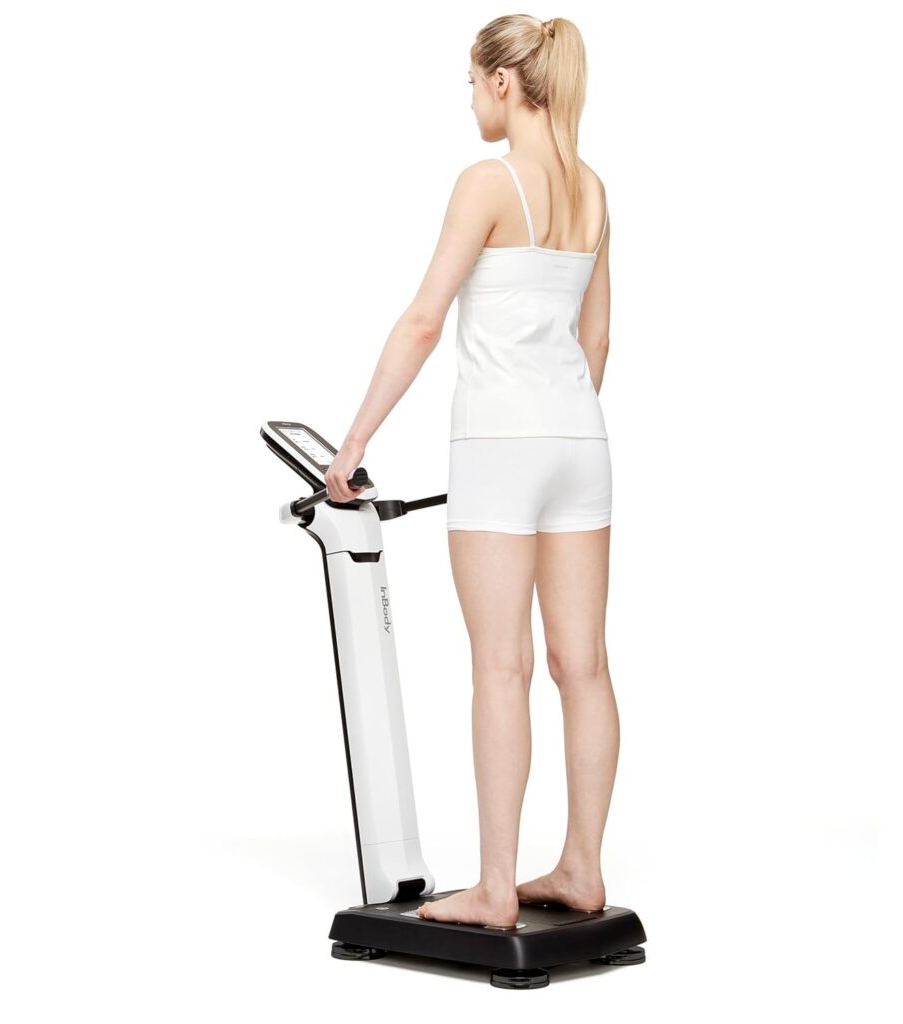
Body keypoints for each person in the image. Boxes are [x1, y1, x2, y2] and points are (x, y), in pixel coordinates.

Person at [324, 14, 618, 929]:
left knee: (502, 665)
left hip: (499, 445)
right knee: (584, 665)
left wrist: (353, 444)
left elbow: (422, 321)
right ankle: (581, 869)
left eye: (470, 82)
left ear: (502, 82)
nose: (469, 100)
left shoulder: (488, 181)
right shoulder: (592, 189)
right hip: (581, 443)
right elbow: (597, 339)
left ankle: (495, 887)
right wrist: (558, 419)